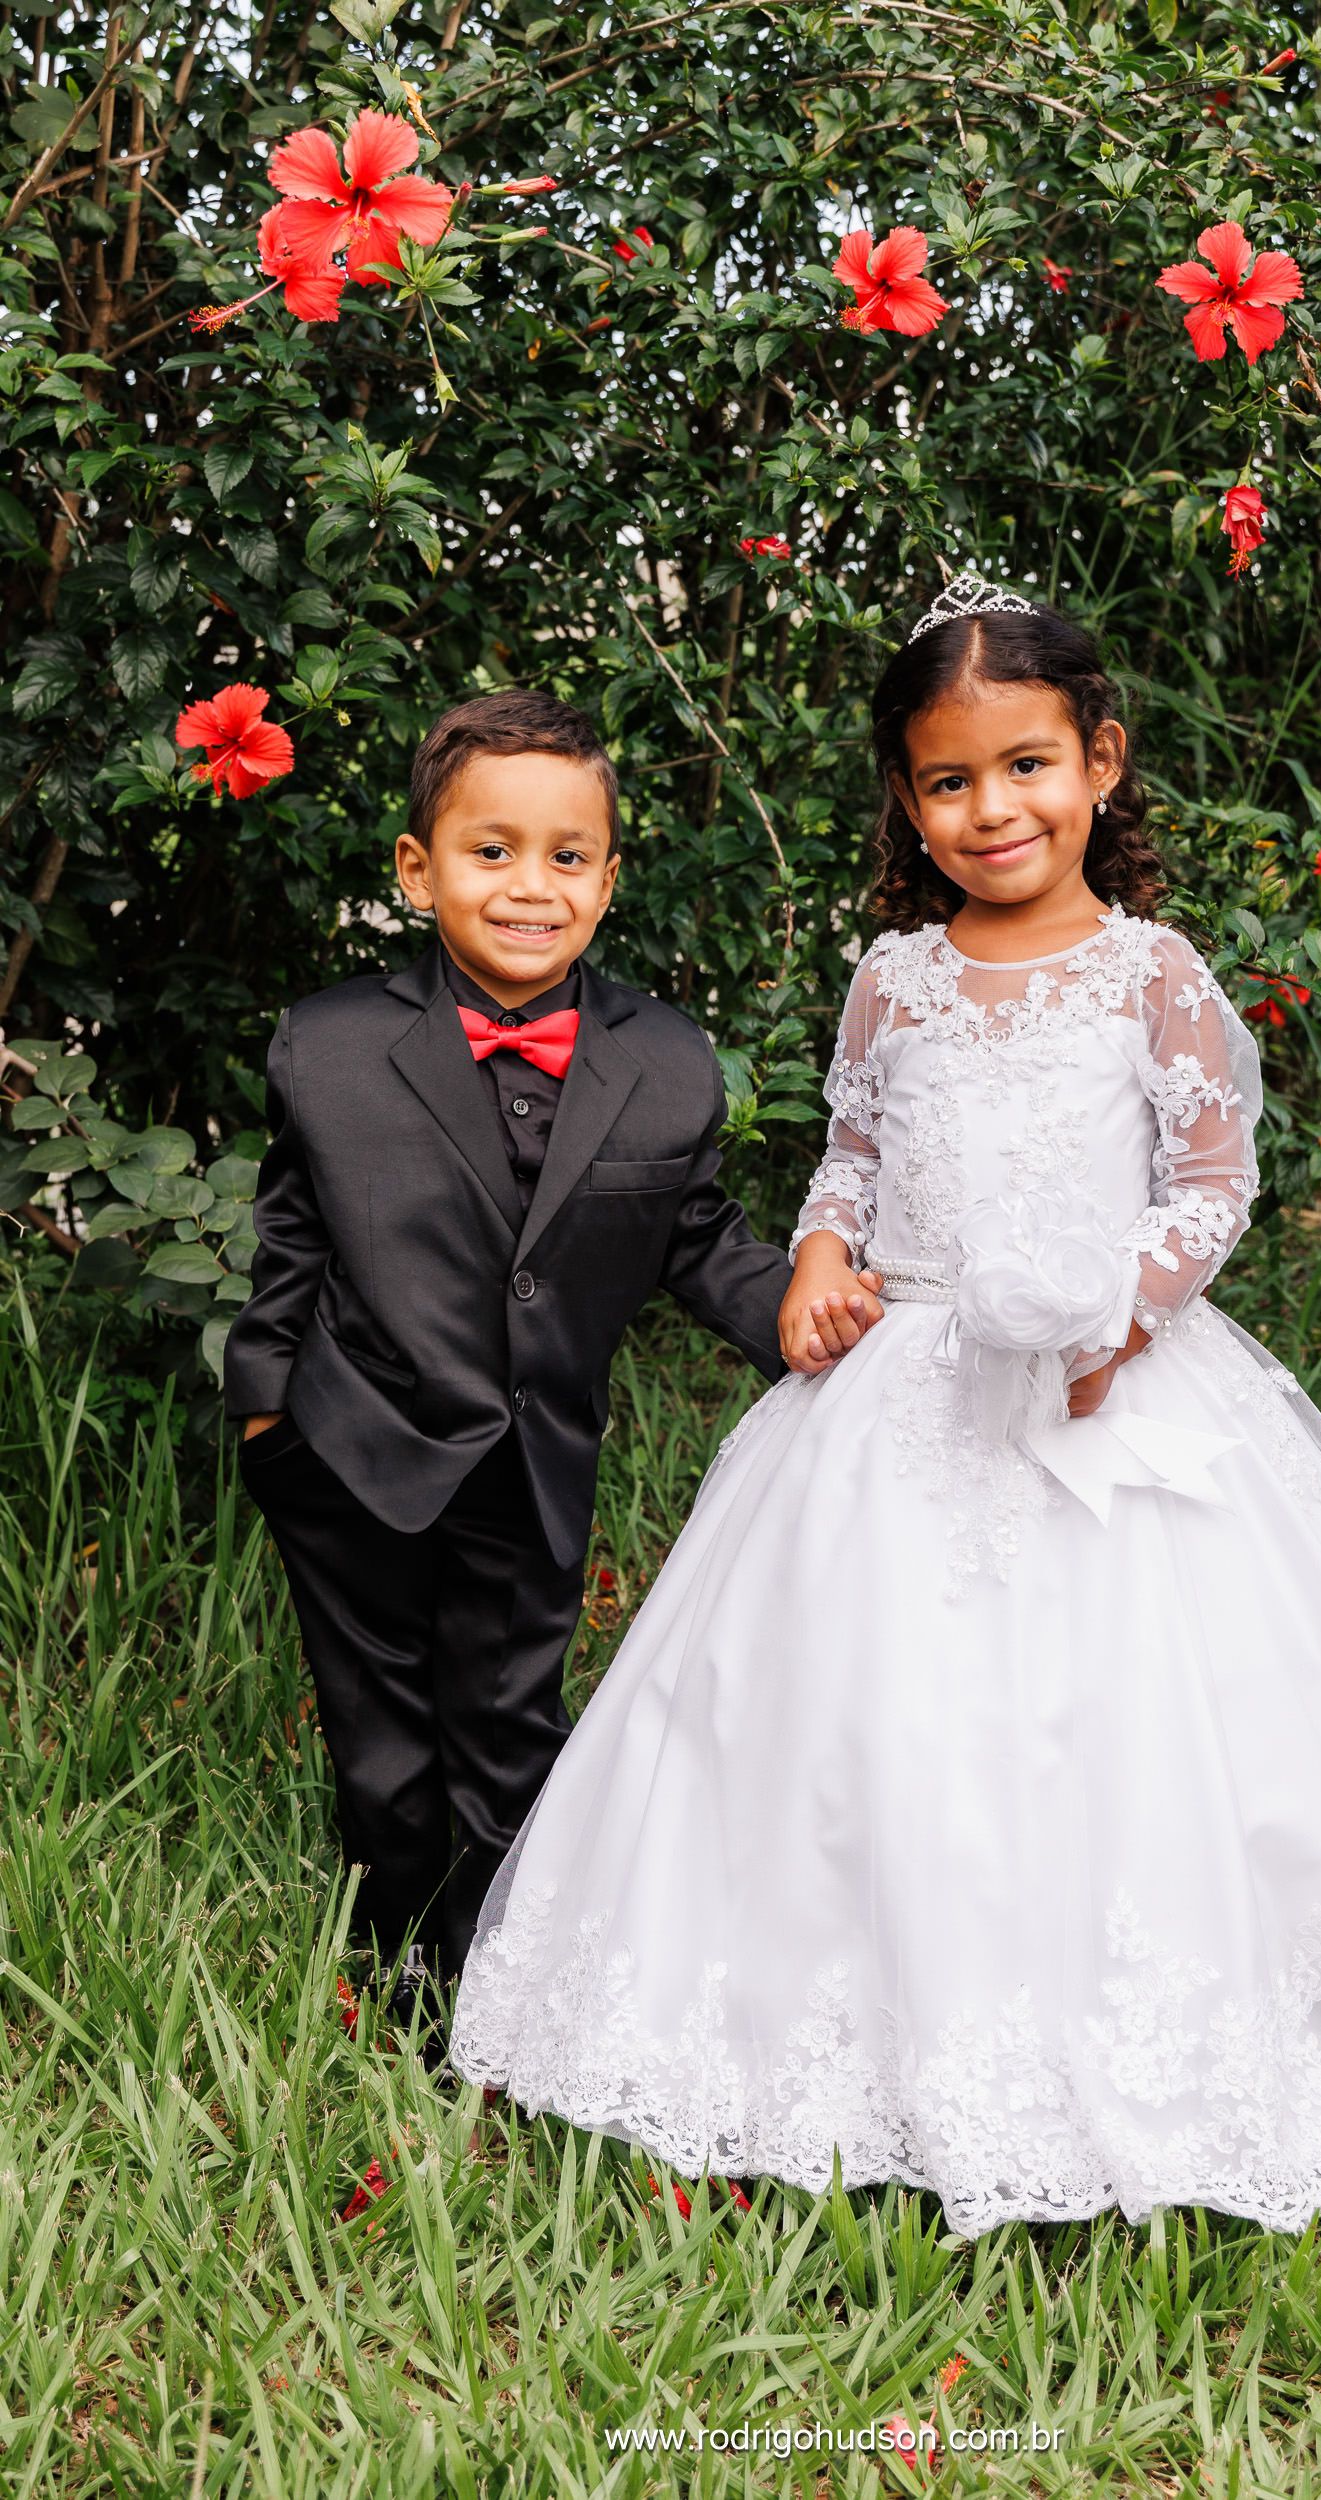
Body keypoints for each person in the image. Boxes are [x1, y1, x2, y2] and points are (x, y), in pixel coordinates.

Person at [448, 585, 1321, 2235]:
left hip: (1113, 1391)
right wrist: (815, 1257)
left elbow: (1215, 1185)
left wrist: (1118, 1310)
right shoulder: (895, 979)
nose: (991, 810)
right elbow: (850, 1158)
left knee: (1148, 1716)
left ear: (1100, 762)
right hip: (903, 1393)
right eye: (947, 783)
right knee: (860, 1714)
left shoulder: (1150, 974)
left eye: (1026, 767)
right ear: (907, 801)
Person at [223, 689, 882, 2022]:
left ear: (609, 876)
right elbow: (290, 1240)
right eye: (492, 851)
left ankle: (521, 1973)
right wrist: (263, 1414)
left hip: (532, 1463)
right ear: (419, 869)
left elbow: (699, 1242)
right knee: (384, 1735)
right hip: (351, 1449)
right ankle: (407, 1963)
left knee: (512, 1720)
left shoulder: (668, 1064)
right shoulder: (332, 1044)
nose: (532, 886)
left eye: (567, 856)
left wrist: (800, 1313)